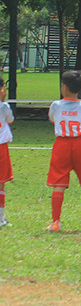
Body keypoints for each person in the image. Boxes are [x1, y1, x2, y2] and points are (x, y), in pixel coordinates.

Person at [46, 70, 81, 232]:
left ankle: (55, 222)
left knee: (59, 184)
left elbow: (52, 118)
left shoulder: (56, 105)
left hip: (62, 144)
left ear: (64, 87)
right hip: (80, 143)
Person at [0, 78, 14, 227]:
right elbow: (10, 120)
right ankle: (0, 217)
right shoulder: (4, 107)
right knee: (1, 184)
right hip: (1, 148)